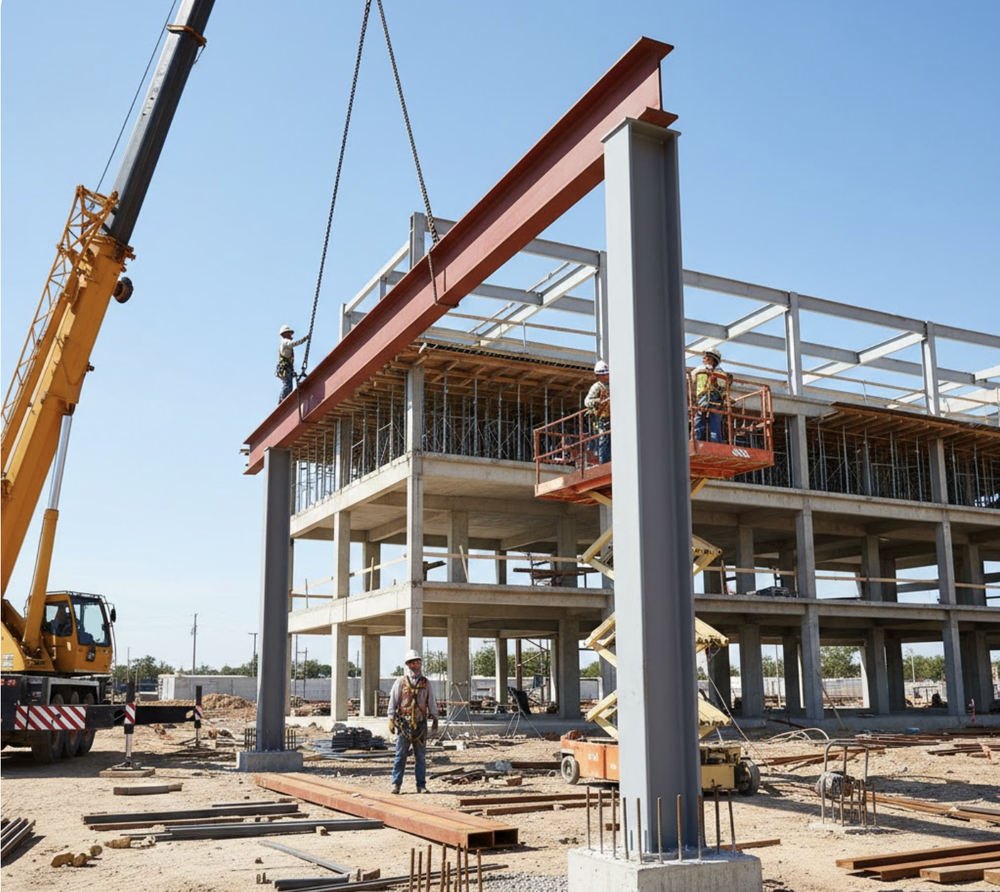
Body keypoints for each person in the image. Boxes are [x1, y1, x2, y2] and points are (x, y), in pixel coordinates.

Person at [387, 649, 439, 794]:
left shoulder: (426, 683)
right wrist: (391, 718)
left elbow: (431, 701)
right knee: (400, 755)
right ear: (408, 665)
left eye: (418, 663)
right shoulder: (400, 682)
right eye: (413, 663)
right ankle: (396, 784)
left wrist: (435, 717)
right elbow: (394, 701)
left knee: (420, 756)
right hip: (404, 725)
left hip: (420, 725)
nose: (416, 666)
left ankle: (421, 785)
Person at [693, 348, 732, 443]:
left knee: (711, 422)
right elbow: (693, 378)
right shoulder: (699, 370)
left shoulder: (720, 373)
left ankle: (713, 444)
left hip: (713, 399)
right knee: (700, 422)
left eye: (707, 357)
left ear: (713, 359)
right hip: (704, 398)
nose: (704, 358)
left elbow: (723, 388)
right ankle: (700, 443)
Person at [584, 360, 611, 465]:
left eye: (607, 374)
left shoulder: (612, 384)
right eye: (604, 374)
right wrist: (598, 401)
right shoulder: (597, 387)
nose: (606, 376)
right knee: (604, 441)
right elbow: (587, 402)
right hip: (602, 419)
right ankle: (604, 464)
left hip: (613, 417)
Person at [276, 324, 310, 403]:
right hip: (285, 368)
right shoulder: (285, 341)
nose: (290, 335)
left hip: (287, 368)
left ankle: (284, 401)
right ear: (285, 334)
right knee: (287, 386)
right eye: (288, 333)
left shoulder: (285, 342)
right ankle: (281, 402)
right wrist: (304, 339)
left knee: (288, 386)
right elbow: (293, 343)